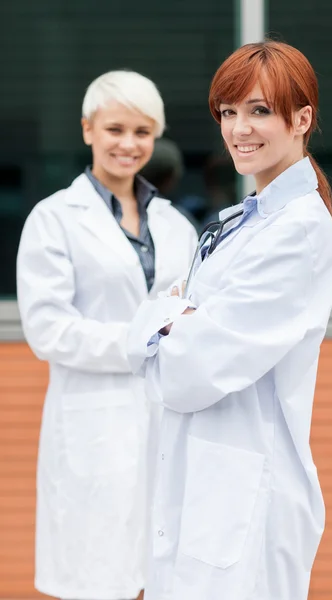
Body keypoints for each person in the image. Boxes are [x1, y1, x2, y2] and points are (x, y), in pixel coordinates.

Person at [126, 40, 332, 600]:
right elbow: (169, 320)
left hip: (247, 498)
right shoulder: (243, 223)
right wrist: (178, 318)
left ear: (302, 119)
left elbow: (186, 371)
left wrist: (171, 325)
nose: (239, 128)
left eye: (259, 110)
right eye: (228, 112)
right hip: (206, 483)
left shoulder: (297, 232)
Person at [16, 70, 197, 600]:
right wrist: (141, 342)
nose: (128, 144)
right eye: (115, 128)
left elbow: (192, 314)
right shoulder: (54, 219)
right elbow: (48, 329)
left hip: (167, 418)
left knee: (165, 571)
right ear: (87, 129)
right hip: (94, 423)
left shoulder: (175, 225)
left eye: (142, 132)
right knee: (97, 576)